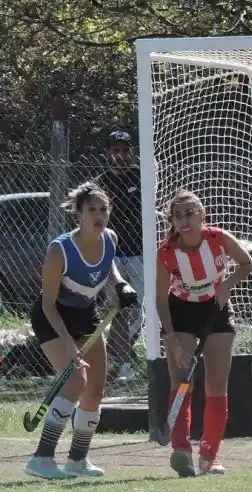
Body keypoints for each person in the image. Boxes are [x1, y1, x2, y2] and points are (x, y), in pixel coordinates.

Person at [25, 181, 137, 480]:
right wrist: (69, 345)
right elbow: (48, 305)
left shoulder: (110, 238)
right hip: (53, 317)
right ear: (79, 214)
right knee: (76, 381)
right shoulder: (59, 250)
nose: (99, 215)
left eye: (103, 209)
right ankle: (42, 457)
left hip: (86, 314)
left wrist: (120, 284)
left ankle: (78, 460)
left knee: (95, 389)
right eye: (91, 210)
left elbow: (109, 266)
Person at [155, 189, 252, 477]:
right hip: (181, 312)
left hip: (216, 309)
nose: (184, 221)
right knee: (182, 381)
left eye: (190, 214)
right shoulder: (166, 252)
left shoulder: (218, 239)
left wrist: (227, 285)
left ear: (202, 215)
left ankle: (210, 455)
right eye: (178, 216)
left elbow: (246, 263)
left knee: (216, 385)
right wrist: (171, 339)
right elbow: (162, 300)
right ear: (171, 221)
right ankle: (181, 450)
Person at [97, 130, 146, 381]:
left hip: (139, 253)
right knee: (117, 307)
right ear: (108, 153)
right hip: (112, 256)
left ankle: (120, 353)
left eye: (125, 150)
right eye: (115, 150)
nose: (121, 155)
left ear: (132, 151)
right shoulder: (100, 183)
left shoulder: (143, 176)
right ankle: (124, 363)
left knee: (138, 308)